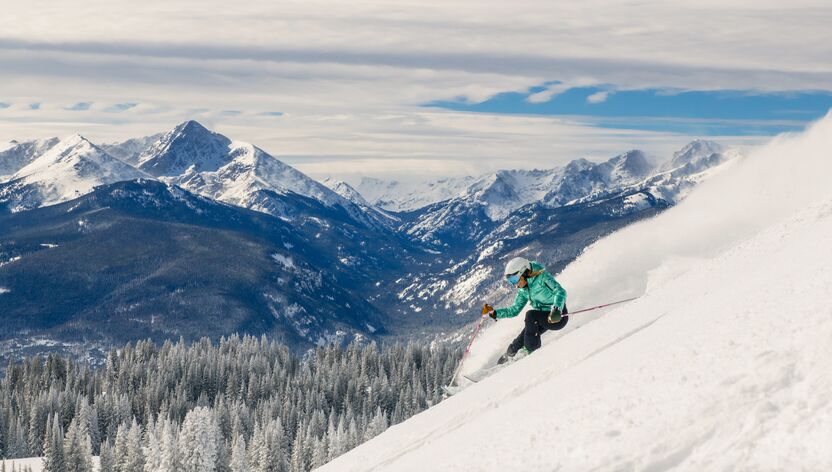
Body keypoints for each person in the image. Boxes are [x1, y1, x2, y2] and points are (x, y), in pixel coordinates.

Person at [483, 256, 568, 364]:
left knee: (530, 315)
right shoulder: (523, 290)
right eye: (510, 281)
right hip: (541, 318)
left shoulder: (542, 277)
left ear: (524, 272)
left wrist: (557, 309)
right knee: (519, 341)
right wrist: (494, 313)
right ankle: (504, 361)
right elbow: (514, 310)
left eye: (514, 279)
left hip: (557, 316)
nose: (514, 284)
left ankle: (530, 352)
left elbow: (560, 292)